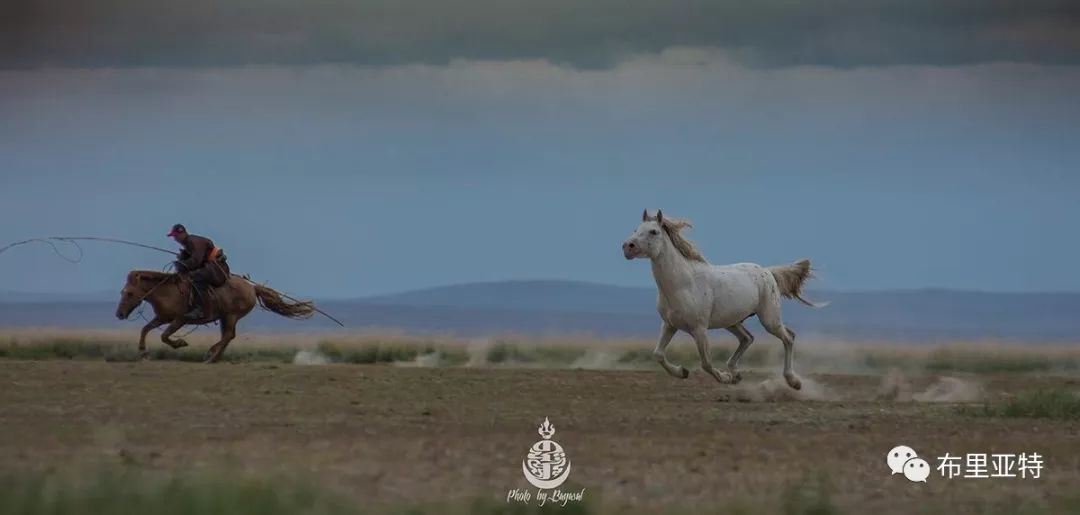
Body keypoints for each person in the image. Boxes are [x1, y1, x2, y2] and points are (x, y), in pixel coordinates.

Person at [167, 224, 230, 319]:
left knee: (194, 277)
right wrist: (183, 257)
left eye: (176, 236)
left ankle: (200, 310)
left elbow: (196, 261)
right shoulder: (188, 243)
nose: (175, 239)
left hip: (217, 269)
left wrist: (182, 264)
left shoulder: (193, 242)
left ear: (182, 234)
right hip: (210, 267)